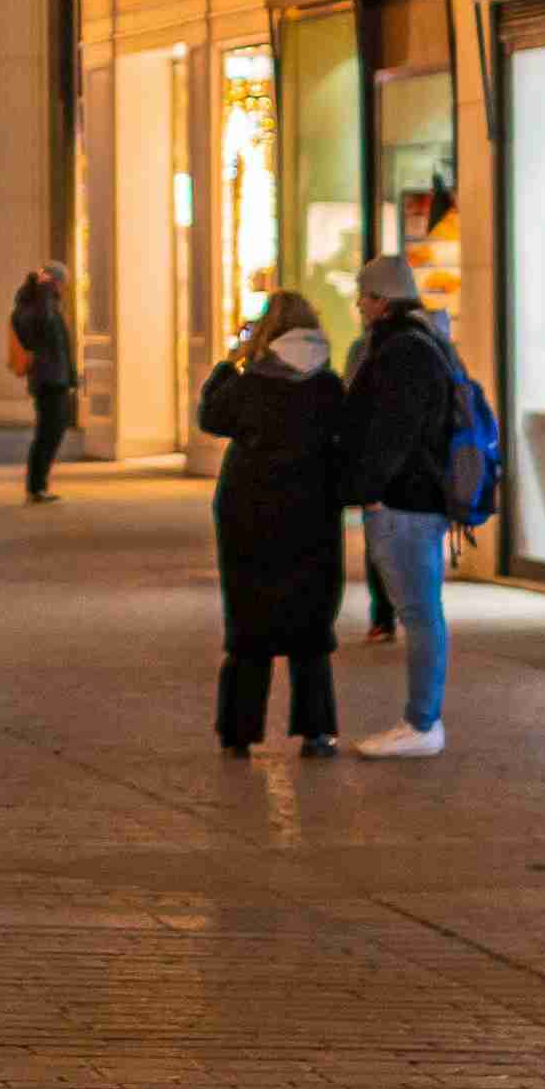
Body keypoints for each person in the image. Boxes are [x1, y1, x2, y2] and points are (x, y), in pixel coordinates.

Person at [197, 290, 349, 757]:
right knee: (310, 620)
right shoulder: (328, 385)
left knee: (250, 620)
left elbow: (212, 417)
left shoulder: (252, 381)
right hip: (312, 509)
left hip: (250, 508)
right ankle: (316, 730)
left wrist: (230, 360)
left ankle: (238, 731)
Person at [335, 253, 465, 758]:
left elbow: (391, 433)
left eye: (364, 296)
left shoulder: (403, 352)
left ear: (381, 299)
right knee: (419, 611)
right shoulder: (422, 342)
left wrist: (363, 489)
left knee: (419, 612)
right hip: (411, 499)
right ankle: (421, 720)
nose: (359, 306)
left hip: (406, 502)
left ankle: (422, 722)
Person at [9, 263, 78, 501]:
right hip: (48, 378)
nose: (62, 289)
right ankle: (36, 486)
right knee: (49, 432)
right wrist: (45, 291)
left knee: (52, 431)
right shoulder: (37, 306)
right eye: (60, 283)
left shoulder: (38, 305)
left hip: (53, 376)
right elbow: (43, 326)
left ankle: (38, 485)